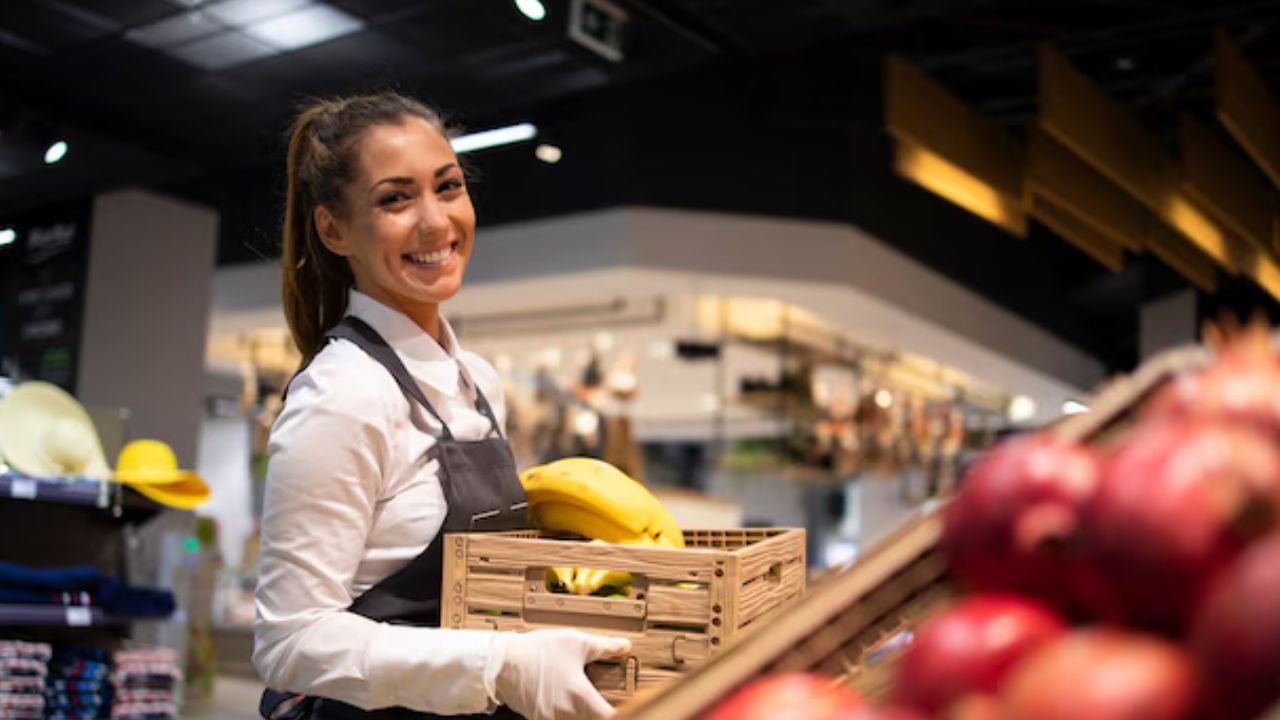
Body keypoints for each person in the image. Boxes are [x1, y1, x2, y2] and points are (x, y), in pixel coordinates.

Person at [252, 93, 630, 720]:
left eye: (447, 187)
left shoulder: (477, 382)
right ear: (333, 229)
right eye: (395, 199)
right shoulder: (343, 395)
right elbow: (290, 642)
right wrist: (499, 666)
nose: (434, 222)